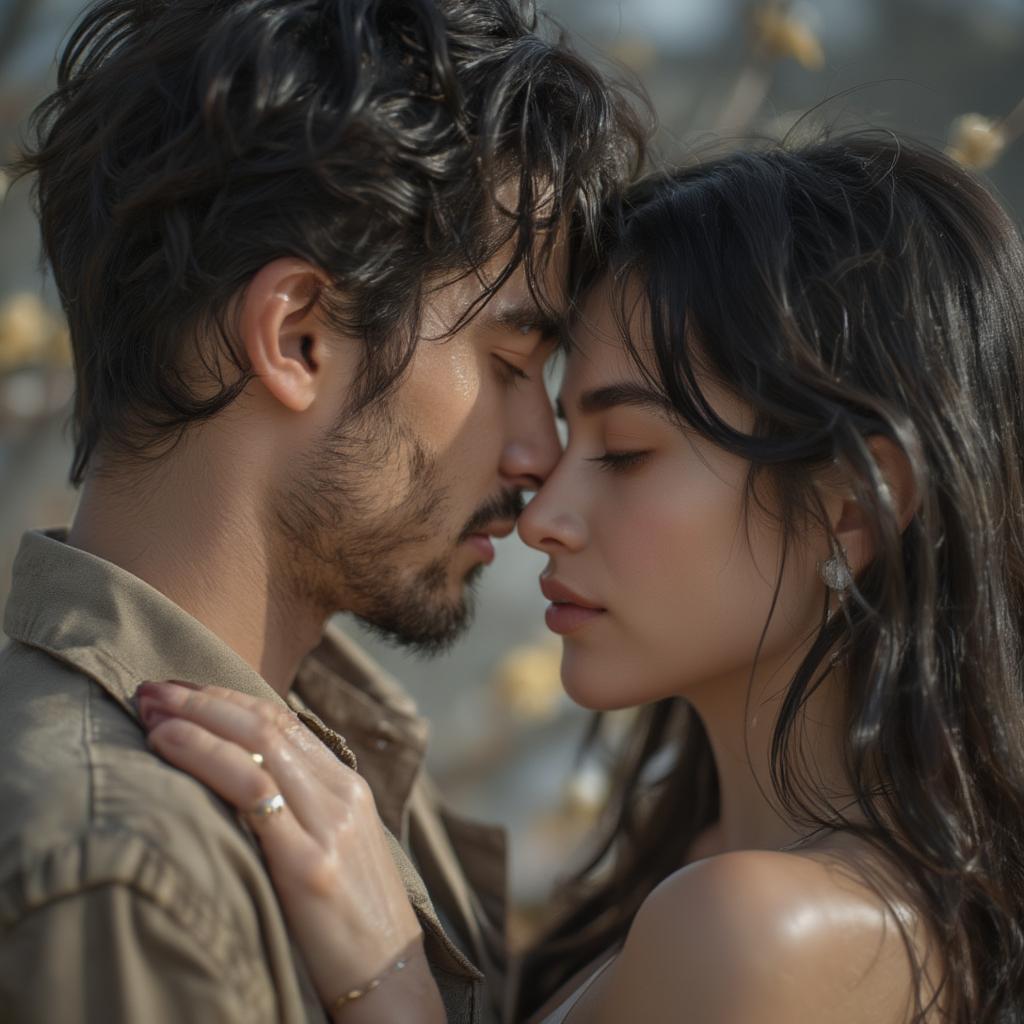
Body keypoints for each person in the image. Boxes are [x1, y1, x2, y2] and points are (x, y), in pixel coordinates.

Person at [143, 129, 1024, 1024]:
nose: (542, 518)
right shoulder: (705, 869)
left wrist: (389, 983)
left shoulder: (763, 934)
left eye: (627, 453)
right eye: (569, 435)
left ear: (855, 508)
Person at [0, 0, 646, 1020]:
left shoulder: (330, 765)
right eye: (512, 363)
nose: (539, 456)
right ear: (298, 337)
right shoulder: (126, 870)